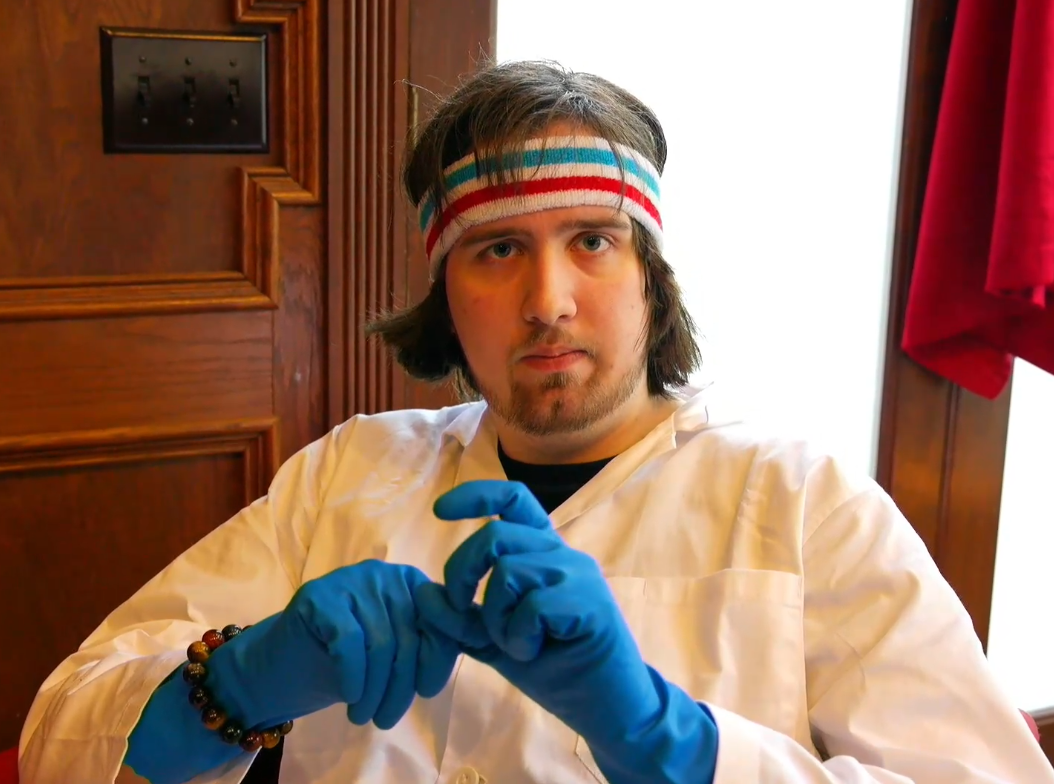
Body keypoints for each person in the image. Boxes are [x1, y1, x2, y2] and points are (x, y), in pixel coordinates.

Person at [18, 60, 1052, 784]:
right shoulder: (346, 474)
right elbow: (62, 736)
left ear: (651, 277)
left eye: (592, 240)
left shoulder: (801, 501)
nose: (548, 301)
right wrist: (237, 680)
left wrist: (669, 741)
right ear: (446, 293)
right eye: (499, 250)